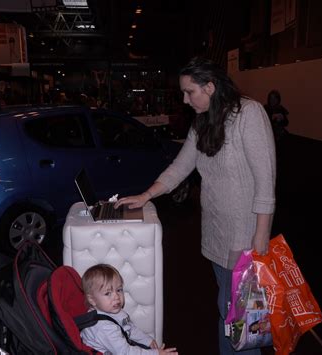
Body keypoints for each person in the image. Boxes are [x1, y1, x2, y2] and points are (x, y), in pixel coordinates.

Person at [115, 57, 276, 355]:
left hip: (244, 237)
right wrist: (146, 195)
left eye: (190, 92)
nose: (186, 100)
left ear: (211, 87)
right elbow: (180, 167)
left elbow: (265, 181)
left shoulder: (248, 114)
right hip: (216, 233)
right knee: (228, 310)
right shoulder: (203, 123)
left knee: (243, 318)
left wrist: (261, 236)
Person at [80, 263, 178, 355]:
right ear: (92, 300)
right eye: (108, 293)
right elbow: (125, 352)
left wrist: (147, 340)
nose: (116, 296)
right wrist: (156, 353)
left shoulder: (115, 312)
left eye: (119, 290)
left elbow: (130, 329)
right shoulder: (102, 327)